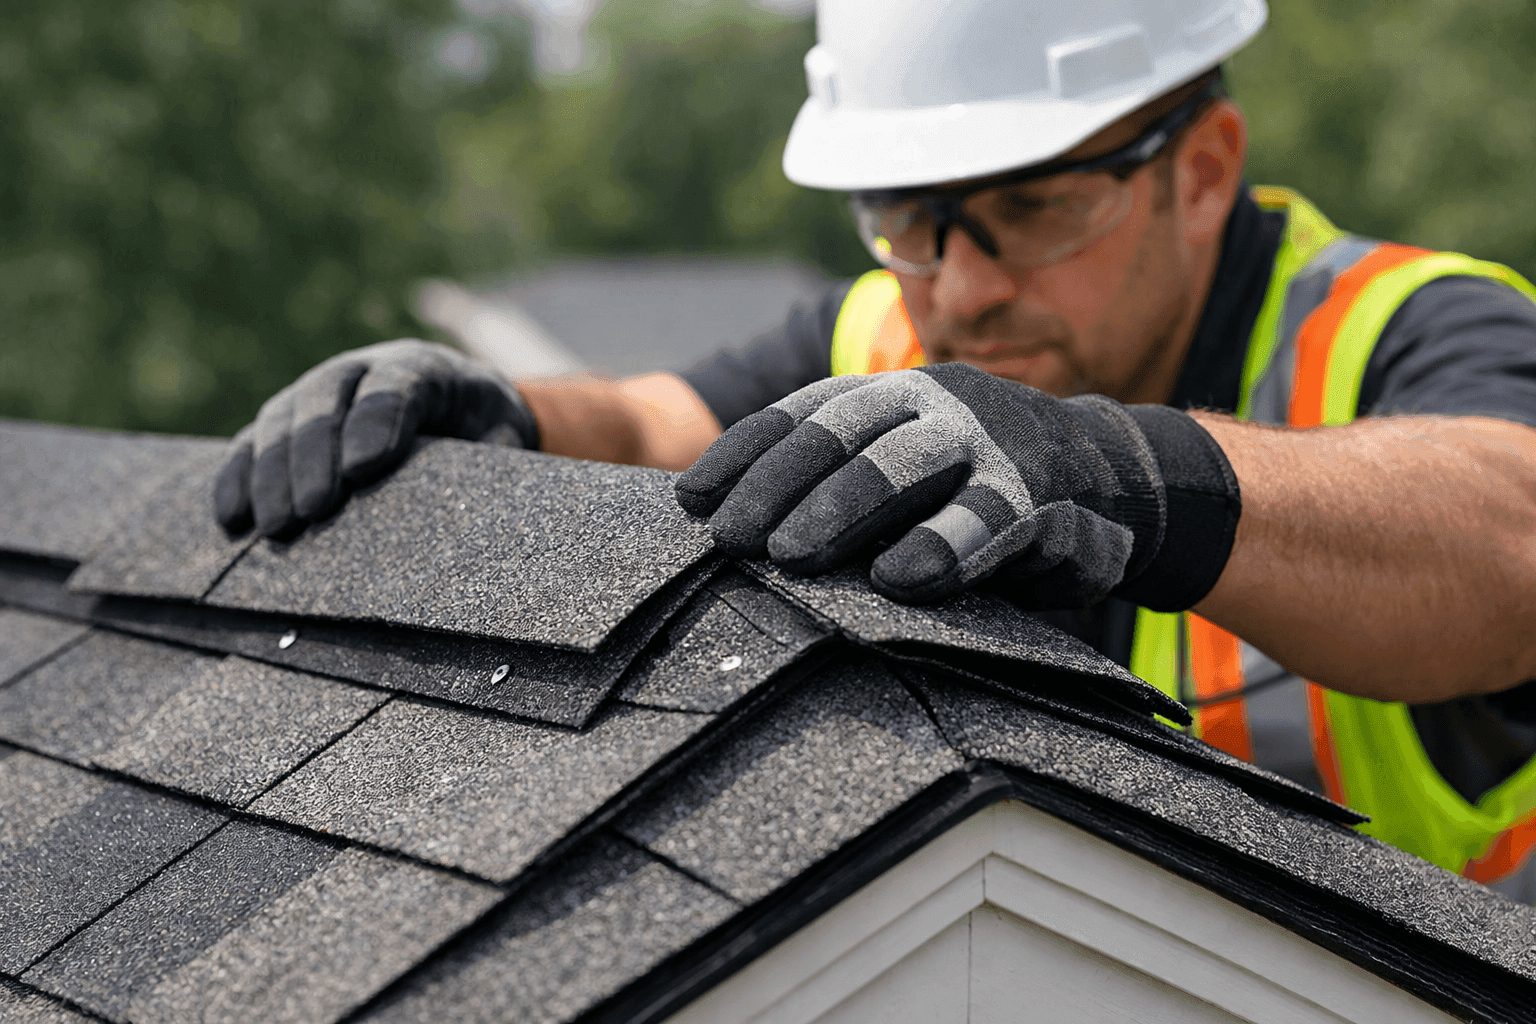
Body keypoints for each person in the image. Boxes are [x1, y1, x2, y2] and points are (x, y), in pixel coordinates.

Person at [213, 0, 1536, 896]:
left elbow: (1509, 536)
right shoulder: (886, 340)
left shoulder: (1409, 328)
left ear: (1202, 170)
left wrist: (1120, 469)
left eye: (1031, 206)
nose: (957, 292)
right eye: (909, 220)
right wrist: (495, 413)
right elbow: (652, 432)